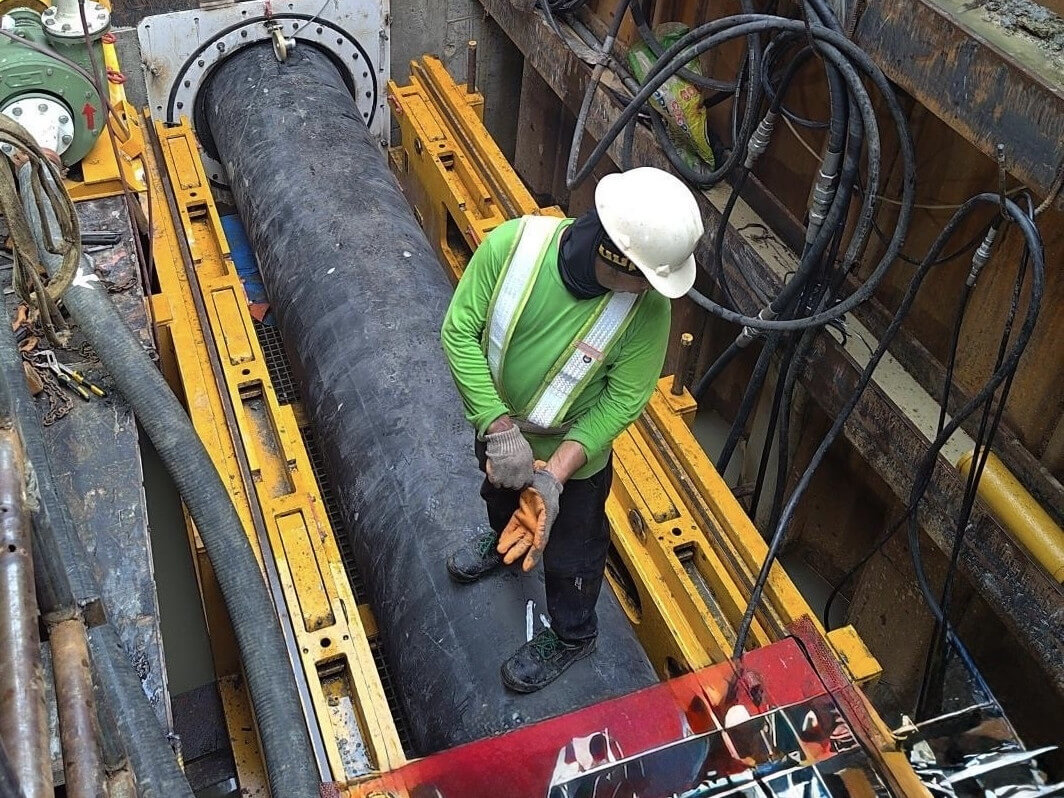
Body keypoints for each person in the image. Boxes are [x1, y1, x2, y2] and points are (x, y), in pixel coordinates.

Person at [440, 166, 704, 693]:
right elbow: (458, 332)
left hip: (574, 464)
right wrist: (497, 428)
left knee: (572, 555)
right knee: (500, 499)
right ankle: (501, 541)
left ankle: (573, 634)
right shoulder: (513, 248)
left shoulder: (647, 313)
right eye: (647, 276)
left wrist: (556, 476)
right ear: (613, 255)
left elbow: (622, 400)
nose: (654, 292)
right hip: (502, 436)